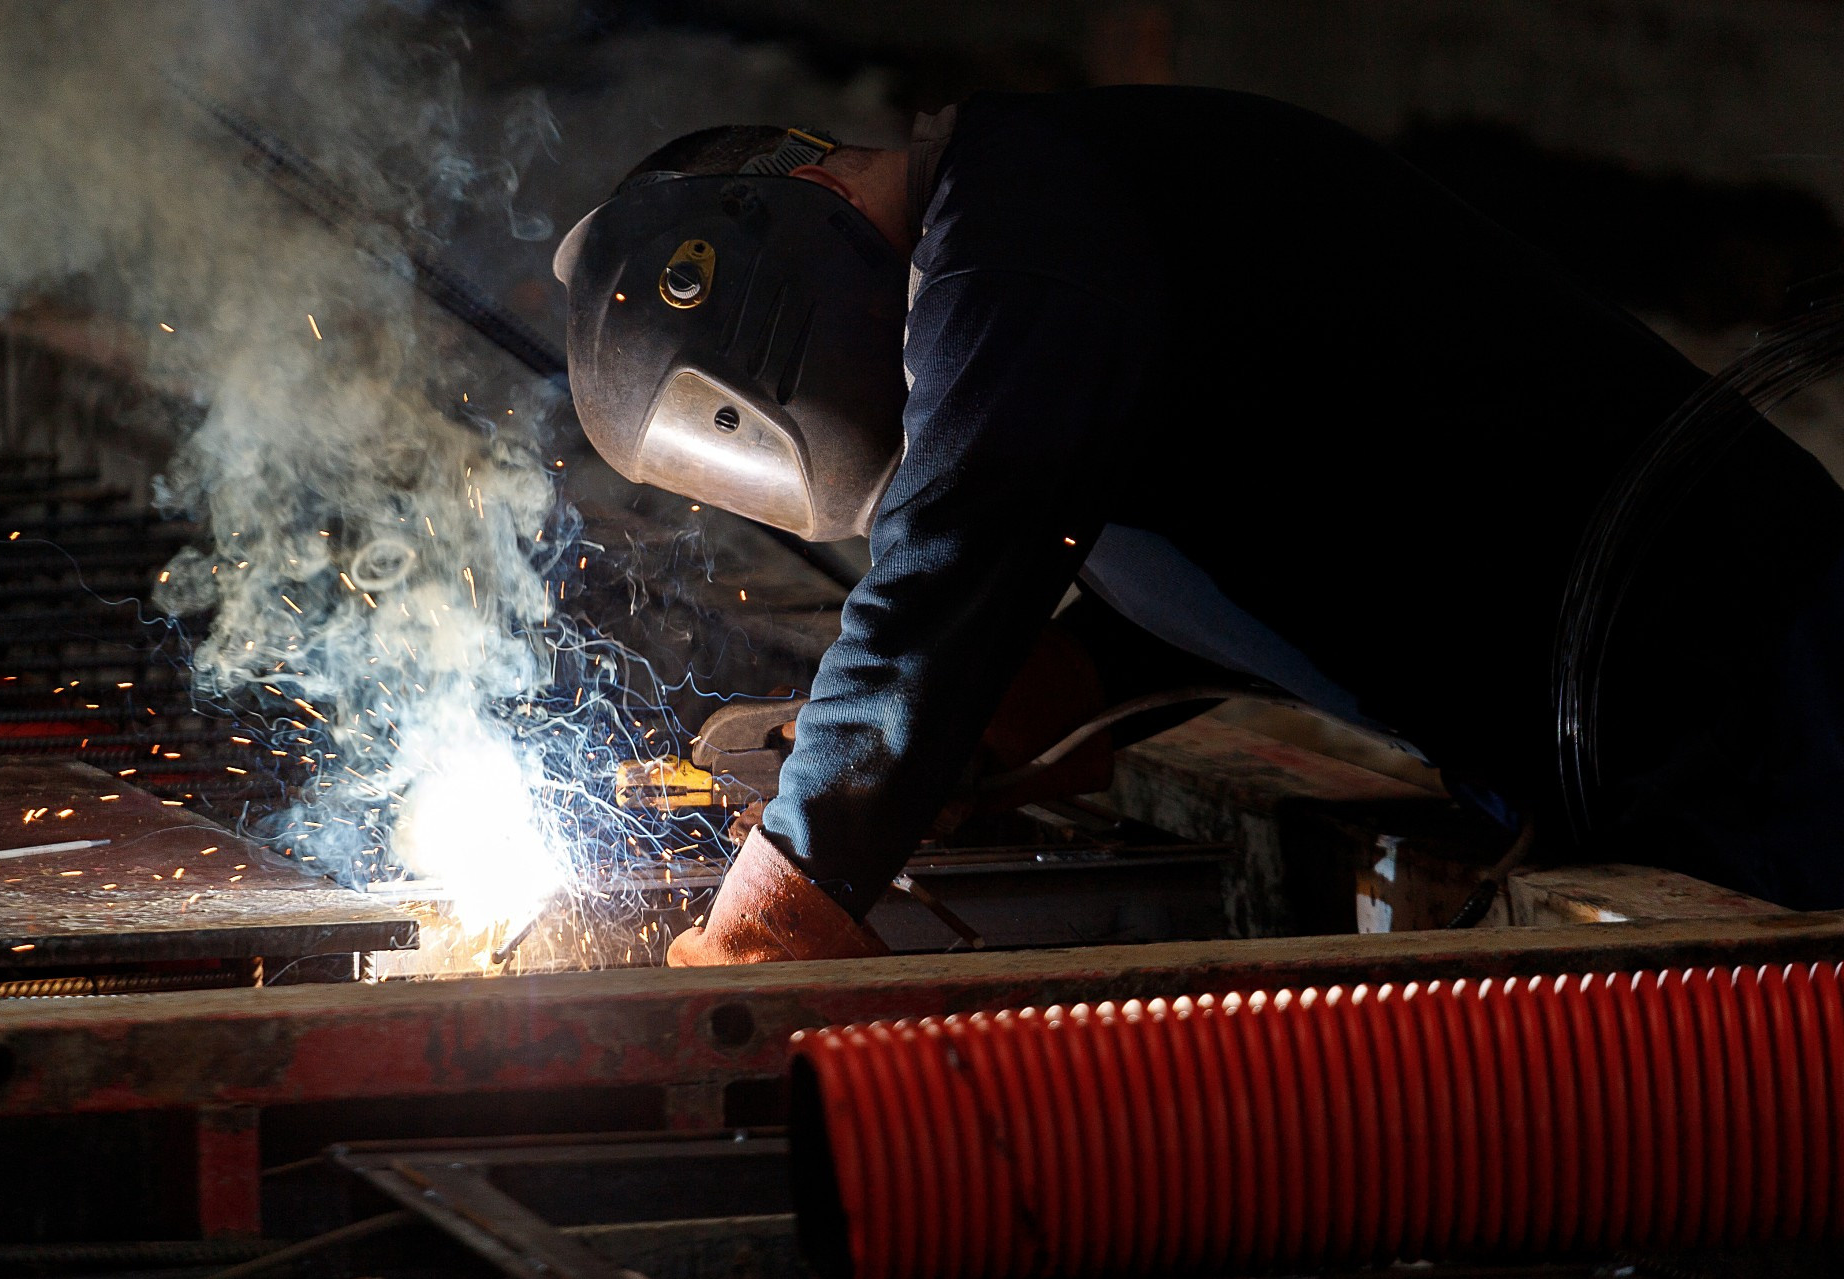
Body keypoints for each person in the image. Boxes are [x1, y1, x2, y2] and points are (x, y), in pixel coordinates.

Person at [551, 87, 1844, 965]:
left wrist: (769, 917)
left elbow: (943, 583)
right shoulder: (1045, 302)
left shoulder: (1021, 217)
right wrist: (1026, 705)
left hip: (1762, 658)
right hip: (1649, 734)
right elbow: (1245, 539)